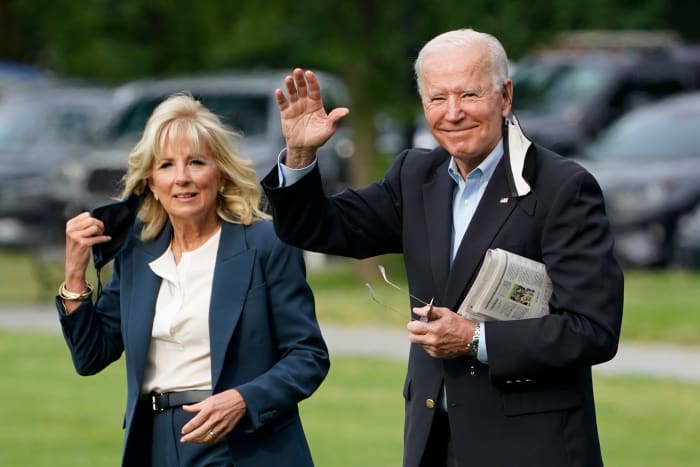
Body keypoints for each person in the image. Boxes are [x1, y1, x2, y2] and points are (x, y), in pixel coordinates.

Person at [261, 28, 624, 467]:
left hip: (531, 447)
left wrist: (474, 339)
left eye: (469, 94)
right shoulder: (416, 176)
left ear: (505, 97)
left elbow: (592, 330)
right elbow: (317, 228)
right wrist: (299, 154)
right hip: (434, 442)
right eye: (437, 99)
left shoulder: (562, 188)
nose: (453, 113)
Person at [56, 93, 329, 467]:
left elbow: (308, 356)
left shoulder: (266, 244)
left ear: (219, 173)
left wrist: (243, 400)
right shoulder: (137, 254)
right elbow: (91, 356)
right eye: (166, 165)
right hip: (154, 444)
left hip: (243, 446)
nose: (181, 178)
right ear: (151, 181)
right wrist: (74, 275)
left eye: (196, 162)